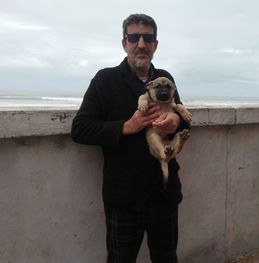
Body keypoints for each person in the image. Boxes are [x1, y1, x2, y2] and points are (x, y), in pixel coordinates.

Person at [71, 13, 190, 263]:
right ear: (124, 43)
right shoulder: (105, 80)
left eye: (148, 38)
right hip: (124, 196)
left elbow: (184, 117)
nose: (141, 44)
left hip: (164, 193)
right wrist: (127, 126)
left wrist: (177, 121)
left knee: (167, 257)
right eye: (134, 37)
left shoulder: (165, 78)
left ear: (155, 45)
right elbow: (80, 128)